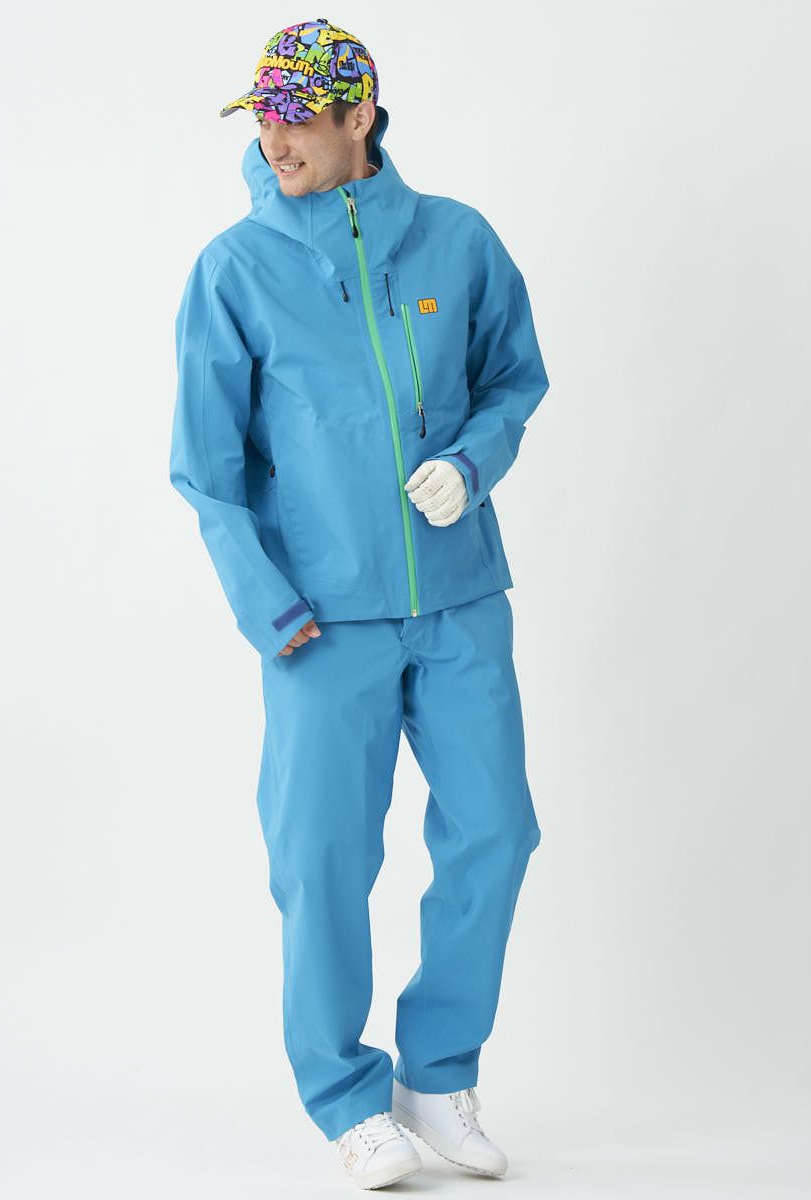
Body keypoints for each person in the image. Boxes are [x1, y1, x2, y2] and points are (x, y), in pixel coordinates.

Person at [169, 16, 549, 1190]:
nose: (274, 140)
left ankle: (436, 1077)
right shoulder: (235, 269)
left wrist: (474, 462)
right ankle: (343, 1095)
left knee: (497, 830)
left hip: (460, 597)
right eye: (261, 119)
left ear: (360, 117)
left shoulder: (458, 241)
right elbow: (205, 469)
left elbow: (514, 378)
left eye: (297, 118)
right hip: (319, 622)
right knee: (323, 858)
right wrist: (269, 607)